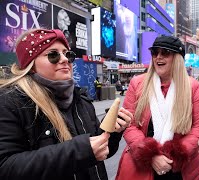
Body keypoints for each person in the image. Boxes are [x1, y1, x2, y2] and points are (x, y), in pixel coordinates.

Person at [0, 28, 133, 180]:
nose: (64, 59)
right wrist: (81, 150)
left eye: (67, 54)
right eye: (53, 55)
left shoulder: (81, 99)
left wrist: (112, 132)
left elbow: (100, 152)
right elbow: (6, 167)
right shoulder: (11, 102)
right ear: (31, 64)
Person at [116, 35, 199, 180]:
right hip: (143, 166)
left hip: (181, 168)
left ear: (177, 58)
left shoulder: (192, 86)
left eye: (165, 52)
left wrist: (178, 154)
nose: (158, 57)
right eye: (155, 52)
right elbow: (129, 125)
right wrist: (151, 155)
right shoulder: (137, 83)